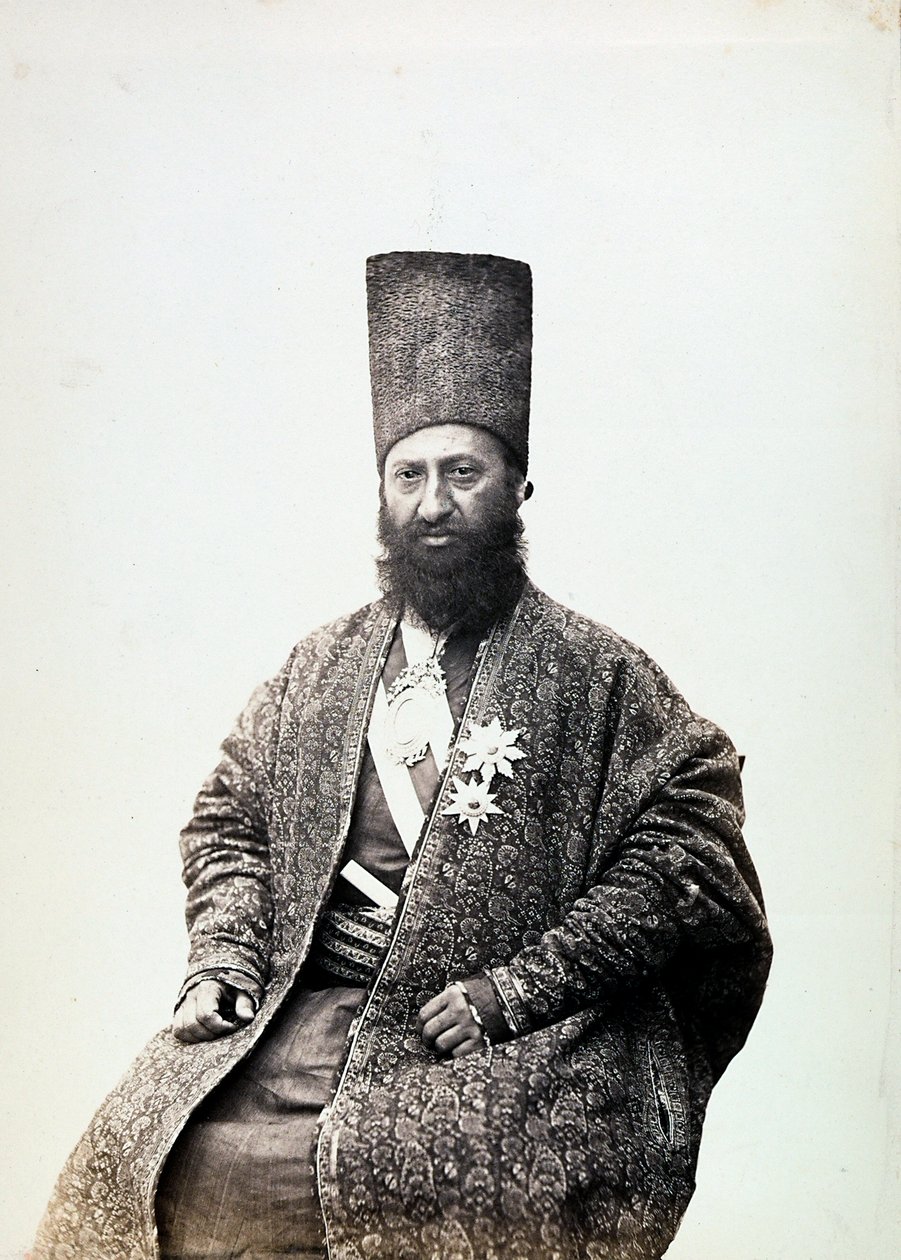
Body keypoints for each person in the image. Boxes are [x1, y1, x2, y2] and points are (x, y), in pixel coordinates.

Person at [34, 252, 772, 1260]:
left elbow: (688, 853)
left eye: (463, 474)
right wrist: (224, 961)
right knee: (141, 1157)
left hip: (503, 1042)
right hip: (297, 1010)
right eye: (409, 476)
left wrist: (519, 991)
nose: (433, 504)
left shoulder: (597, 673)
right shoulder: (320, 665)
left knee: (425, 1185)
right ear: (381, 493)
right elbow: (229, 819)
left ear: (517, 488)